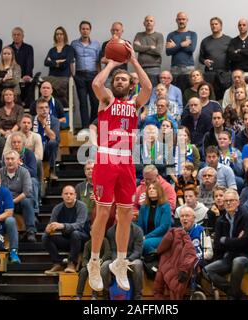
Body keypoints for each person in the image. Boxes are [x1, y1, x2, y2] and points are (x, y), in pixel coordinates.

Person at [87, 42, 152, 293]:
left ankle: (121, 261)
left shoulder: (135, 103)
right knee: (104, 213)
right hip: (106, 159)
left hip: (126, 160)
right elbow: (95, 84)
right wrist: (112, 64)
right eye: (117, 79)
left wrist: (133, 60)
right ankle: (94, 261)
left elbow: (148, 87)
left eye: (124, 79)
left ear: (130, 84)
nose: (120, 81)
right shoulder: (107, 100)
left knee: (126, 214)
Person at [204, 189, 248, 300]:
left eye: (231, 200)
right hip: (228, 257)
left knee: (237, 261)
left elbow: (245, 242)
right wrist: (235, 240)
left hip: (245, 256)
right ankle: (236, 294)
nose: (228, 203)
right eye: (226, 200)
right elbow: (217, 244)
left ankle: (232, 297)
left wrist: (225, 240)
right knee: (207, 270)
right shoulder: (220, 220)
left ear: (238, 202)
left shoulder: (247, 217)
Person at [43, 185, 89, 274]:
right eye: (66, 194)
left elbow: (80, 225)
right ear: (62, 195)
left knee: (75, 233)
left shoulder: (82, 206)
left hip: (82, 238)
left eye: (71, 194)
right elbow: (51, 223)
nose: (68, 196)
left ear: (75, 195)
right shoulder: (58, 208)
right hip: (67, 238)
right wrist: (49, 229)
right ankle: (57, 263)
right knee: (45, 237)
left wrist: (63, 226)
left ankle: (71, 263)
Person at [101, 217, 144, 300]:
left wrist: (127, 260)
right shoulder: (111, 231)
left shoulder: (138, 230)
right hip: (116, 258)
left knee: (138, 264)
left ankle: (138, 296)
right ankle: (106, 296)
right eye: (118, 214)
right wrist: (117, 261)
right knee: (104, 266)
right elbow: (112, 250)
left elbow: (138, 251)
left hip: (131, 259)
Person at [0, 150, 36, 242]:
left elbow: (27, 192)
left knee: (27, 201)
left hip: (19, 201)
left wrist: (12, 201)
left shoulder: (24, 172)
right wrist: (7, 202)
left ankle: (31, 231)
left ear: (18, 160)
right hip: (4, 203)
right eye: (7, 159)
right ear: (4, 161)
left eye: (12, 159)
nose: (10, 161)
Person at [71, 21, 100, 128]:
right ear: (80, 30)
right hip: (79, 76)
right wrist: (73, 75)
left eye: (87, 29)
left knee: (95, 102)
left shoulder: (96, 44)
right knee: (83, 103)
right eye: (83, 28)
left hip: (93, 75)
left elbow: (98, 61)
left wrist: (99, 76)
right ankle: (85, 127)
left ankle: (93, 125)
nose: (85, 31)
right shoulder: (74, 44)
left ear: (90, 30)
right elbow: (72, 60)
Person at [199, 17, 232, 100]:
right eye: (212, 24)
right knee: (211, 97)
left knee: (226, 97)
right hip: (210, 74)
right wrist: (204, 61)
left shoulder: (229, 40)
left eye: (216, 24)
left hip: (225, 74)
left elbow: (233, 57)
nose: (214, 26)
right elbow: (200, 58)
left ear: (221, 26)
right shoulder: (205, 41)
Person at [165, 12, 197, 93]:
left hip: (189, 68)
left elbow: (191, 49)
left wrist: (175, 46)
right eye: (179, 19)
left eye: (183, 19)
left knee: (189, 91)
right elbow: (168, 52)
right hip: (175, 68)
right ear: (176, 20)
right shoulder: (171, 35)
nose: (181, 21)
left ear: (187, 20)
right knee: (174, 91)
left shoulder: (192, 34)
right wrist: (182, 44)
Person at [44, 26, 75, 109]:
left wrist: (53, 62)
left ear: (64, 35)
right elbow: (46, 62)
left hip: (64, 78)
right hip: (52, 78)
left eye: (61, 34)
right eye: (57, 34)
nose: (59, 36)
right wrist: (59, 62)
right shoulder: (52, 50)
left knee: (63, 100)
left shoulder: (69, 49)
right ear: (55, 36)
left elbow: (67, 62)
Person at [227, 19, 248, 93]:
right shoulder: (233, 41)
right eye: (240, 25)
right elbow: (231, 56)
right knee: (237, 95)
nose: (241, 27)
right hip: (237, 74)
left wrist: (239, 51)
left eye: (244, 25)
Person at [0, 46, 22, 114]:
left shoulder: (17, 67)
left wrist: (1, 82)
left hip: (14, 95)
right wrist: (3, 79)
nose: (6, 55)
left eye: (8, 54)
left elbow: (15, 81)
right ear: (2, 55)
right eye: (4, 53)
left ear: (12, 55)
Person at [133, 15, 164, 87]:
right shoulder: (139, 35)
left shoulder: (159, 35)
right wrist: (150, 47)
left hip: (154, 68)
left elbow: (158, 51)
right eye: (147, 21)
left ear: (154, 23)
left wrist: (142, 47)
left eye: (151, 21)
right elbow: (135, 48)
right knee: (141, 91)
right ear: (144, 23)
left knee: (153, 90)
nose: (149, 22)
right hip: (141, 68)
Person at [9, 27, 34, 107]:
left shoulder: (29, 48)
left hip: (26, 77)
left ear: (23, 36)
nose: (16, 36)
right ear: (12, 36)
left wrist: (27, 74)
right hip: (13, 78)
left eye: (18, 34)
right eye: (14, 35)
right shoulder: (8, 48)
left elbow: (30, 63)